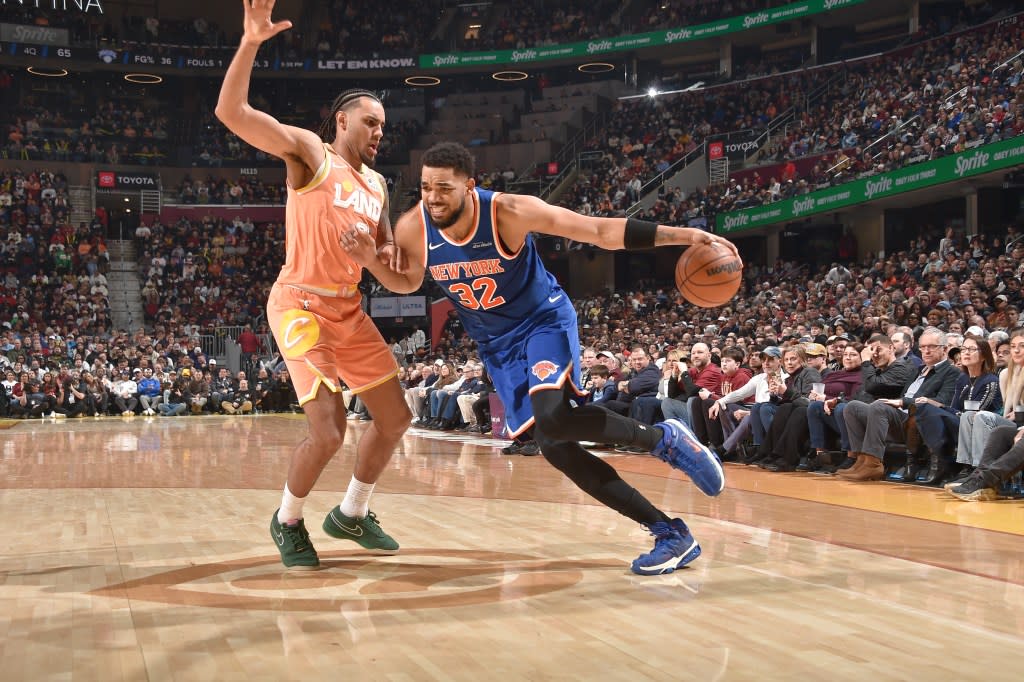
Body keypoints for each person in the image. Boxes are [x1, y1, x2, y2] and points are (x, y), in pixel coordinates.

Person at [341, 141, 736, 575]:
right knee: (555, 447)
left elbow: (598, 231)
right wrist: (370, 261)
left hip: (541, 322)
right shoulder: (414, 227)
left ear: (469, 187)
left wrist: (685, 236)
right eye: (425, 187)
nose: (433, 197)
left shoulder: (507, 212)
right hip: (497, 345)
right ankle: (671, 534)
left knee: (553, 419)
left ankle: (666, 440)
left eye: (444, 188)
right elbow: (406, 282)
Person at [216, 0, 411, 570]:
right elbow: (232, 112)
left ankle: (351, 512)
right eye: (370, 121)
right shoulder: (310, 153)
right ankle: (287, 520)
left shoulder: (378, 185)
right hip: (299, 303)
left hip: (348, 308)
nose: (379, 132)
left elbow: (387, 263)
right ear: (341, 121)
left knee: (396, 418)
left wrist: (383, 257)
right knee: (328, 432)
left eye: (383, 125)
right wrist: (251, 42)